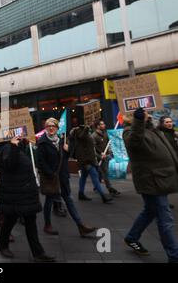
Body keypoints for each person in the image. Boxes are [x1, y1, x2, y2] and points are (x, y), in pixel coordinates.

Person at [123, 108, 178, 263]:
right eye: (141, 113)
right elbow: (135, 141)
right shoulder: (129, 132)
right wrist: (139, 120)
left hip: (160, 179)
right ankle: (174, 255)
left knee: (149, 211)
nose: (147, 113)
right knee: (165, 219)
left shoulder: (152, 130)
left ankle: (132, 237)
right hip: (152, 181)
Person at [0, 136, 56, 262]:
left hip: (25, 193)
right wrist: (13, 146)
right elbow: (9, 165)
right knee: (9, 221)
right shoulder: (6, 148)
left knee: (30, 222)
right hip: (14, 194)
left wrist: (21, 145)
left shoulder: (20, 147)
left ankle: (38, 253)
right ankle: (3, 245)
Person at [37, 118, 97, 237]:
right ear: (45, 128)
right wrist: (50, 173)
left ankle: (80, 225)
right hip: (51, 178)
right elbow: (40, 162)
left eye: (53, 126)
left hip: (62, 176)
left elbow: (67, 158)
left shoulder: (61, 141)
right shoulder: (42, 143)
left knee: (68, 199)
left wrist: (67, 150)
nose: (51, 128)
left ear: (57, 128)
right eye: (48, 126)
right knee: (49, 201)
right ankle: (47, 225)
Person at [70, 124, 113, 204]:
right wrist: (86, 128)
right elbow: (82, 137)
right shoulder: (81, 134)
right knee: (95, 177)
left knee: (83, 177)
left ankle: (81, 193)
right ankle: (103, 196)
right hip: (87, 161)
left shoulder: (81, 135)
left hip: (86, 160)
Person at [91, 119, 121, 196]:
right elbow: (92, 149)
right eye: (102, 124)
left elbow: (109, 144)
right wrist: (100, 156)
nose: (104, 125)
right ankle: (110, 189)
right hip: (99, 158)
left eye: (104, 124)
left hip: (106, 157)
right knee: (105, 173)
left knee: (101, 173)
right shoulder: (94, 136)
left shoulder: (105, 134)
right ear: (98, 126)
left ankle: (96, 186)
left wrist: (110, 153)